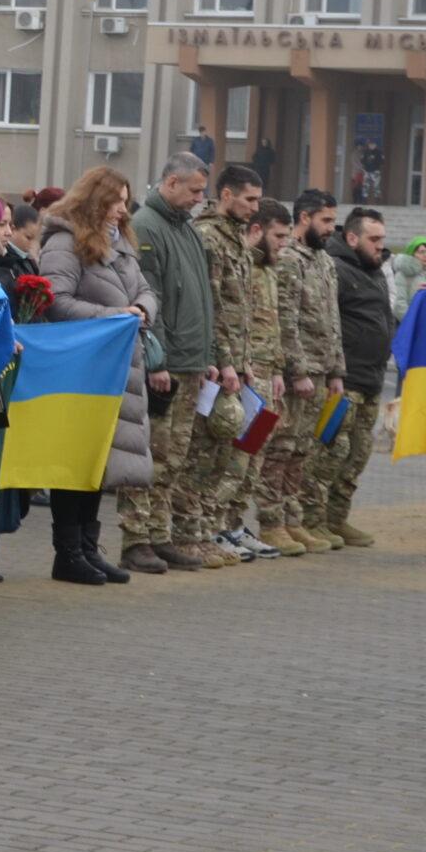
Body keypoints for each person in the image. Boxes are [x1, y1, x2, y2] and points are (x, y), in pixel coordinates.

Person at [35, 168, 154, 585]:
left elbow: (145, 289)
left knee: (102, 461)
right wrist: (115, 316)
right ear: (93, 200)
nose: (123, 208)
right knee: (76, 460)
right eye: (115, 200)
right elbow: (55, 301)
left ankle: (88, 547)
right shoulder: (65, 242)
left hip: (117, 366)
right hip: (82, 368)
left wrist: (143, 310)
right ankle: (68, 553)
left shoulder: (120, 242)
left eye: (125, 200)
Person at [124, 154, 213, 573]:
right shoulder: (147, 227)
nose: (199, 199)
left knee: (174, 459)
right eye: (194, 190)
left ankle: (159, 535)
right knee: (151, 456)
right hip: (166, 365)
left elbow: (202, 299)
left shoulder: (186, 230)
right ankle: (135, 538)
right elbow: (150, 297)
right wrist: (156, 360)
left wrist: (207, 357)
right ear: (172, 183)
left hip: (189, 362)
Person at [181, 163, 265, 570]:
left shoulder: (234, 238)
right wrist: (223, 362)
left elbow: (240, 309)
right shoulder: (209, 237)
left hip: (234, 364)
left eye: (258, 200)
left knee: (219, 455)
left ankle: (205, 533)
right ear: (226, 195)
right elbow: (210, 307)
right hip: (214, 367)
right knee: (199, 455)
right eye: (249, 199)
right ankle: (188, 535)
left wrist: (244, 362)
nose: (255, 207)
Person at [210, 199, 291, 563]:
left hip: (265, 377)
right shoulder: (243, 267)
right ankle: (214, 526)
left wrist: (278, 370)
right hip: (244, 376)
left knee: (254, 457)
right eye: (278, 236)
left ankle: (234, 523)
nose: (283, 244)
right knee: (235, 458)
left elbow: (274, 325)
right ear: (257, 230)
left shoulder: (269, 270)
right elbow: (230, 321)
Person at [264, 190, 345, 556]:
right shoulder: (289, 260)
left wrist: (337, 370)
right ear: (305, 218)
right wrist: (296, 370)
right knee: (280, 449)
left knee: (302, 451)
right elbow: (285, 319)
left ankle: (293, 519)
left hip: (321, 372)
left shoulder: (324, 261)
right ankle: (272, 522)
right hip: (299, 373)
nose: (330, 228)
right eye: (325, 220)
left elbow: (332, 320)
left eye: (333, 221)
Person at [309, 207, 392, 550]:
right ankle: (312, 520)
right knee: (329, 454)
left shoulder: (375, 271)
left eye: (383, 239)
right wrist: (334, 371)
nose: (380, 245)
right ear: (353, 238)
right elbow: (327, 323)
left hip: (371, 381)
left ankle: (336, 518)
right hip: (345, 382)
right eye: (374, 239)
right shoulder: (337, 268)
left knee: (357, 455)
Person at [389, 236, 426, 319]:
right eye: (421, 252)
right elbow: (399, 304)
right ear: (412, 255)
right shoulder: (403, 275)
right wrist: (412, 321)